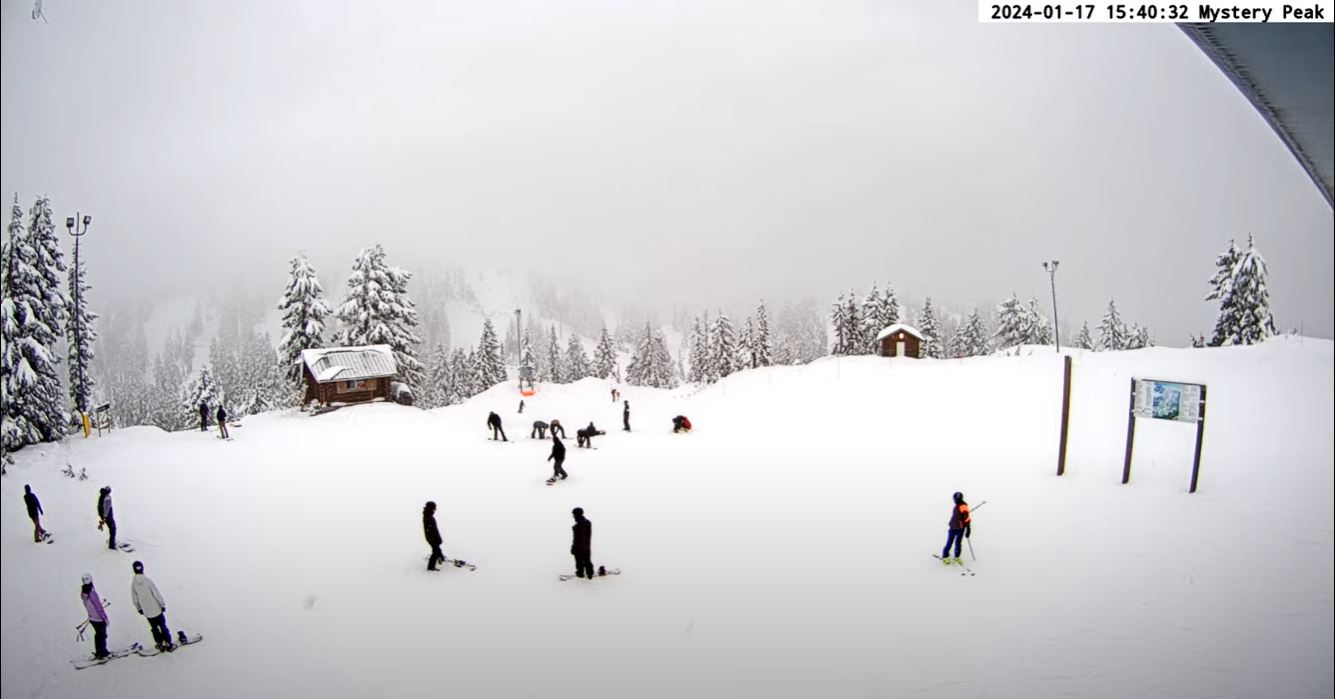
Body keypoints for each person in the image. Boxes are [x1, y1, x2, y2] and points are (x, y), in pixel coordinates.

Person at [130, 561, 174, 652]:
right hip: (156, 609)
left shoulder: (133, 584)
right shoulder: (148, 581)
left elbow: (135, 599)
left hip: (148, 612)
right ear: (142, 569)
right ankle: (168, 643)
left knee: (154, 628)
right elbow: (156, 593)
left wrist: (139, 608)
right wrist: (162, 604)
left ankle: (160, 643)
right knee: (162, 626)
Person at [81, 573, 111, 659]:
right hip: (98, 618)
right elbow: (98, 606)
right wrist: (105, 618)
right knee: (102, 635)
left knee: (98, 635)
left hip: (92, 618)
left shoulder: (83, 593)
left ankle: (99, 651)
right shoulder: (91, 593)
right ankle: (103, 652)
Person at [940, 492, 972, 565]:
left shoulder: (963, 506)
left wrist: (968, 529)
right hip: (952, 527)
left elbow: (967, 519)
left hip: (960, 529)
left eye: (957, 499)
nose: (955, 500)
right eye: (955, 499)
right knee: (949, 542)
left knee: (957, 543)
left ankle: (957, 557)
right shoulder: (957, 505)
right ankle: (945, 556)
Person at [570, 507, 593, 579]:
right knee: (587, 560)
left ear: (576, 515)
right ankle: (590, 574)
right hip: (586, 546)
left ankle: (580, 573)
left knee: (579, 561)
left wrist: (573, 548)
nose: (573, 516)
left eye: (574, 515)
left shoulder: (578, 526)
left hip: (579, 547)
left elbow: (577, 539)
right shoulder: (587, 522)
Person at [423, 501, 446, 571]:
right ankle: (431, 567)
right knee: (436, 552)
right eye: (434, 508)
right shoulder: (428, 516)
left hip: (433, 538)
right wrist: (436, 539)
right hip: (432, 539)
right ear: (431, 508)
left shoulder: (429, 515)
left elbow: (434, 529)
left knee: (436, 551)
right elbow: (431, 531)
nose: (435, 509)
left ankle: (440, 557)